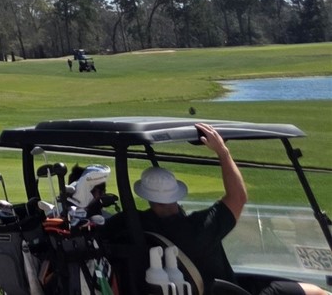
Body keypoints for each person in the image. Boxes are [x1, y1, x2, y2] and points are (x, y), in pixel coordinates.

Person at [133, 122, 329, 295]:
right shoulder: (199, 229)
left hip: (204, 286)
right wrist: (223, 152)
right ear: (175, 194)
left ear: (148, 198)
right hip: (226, 291)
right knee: (317, 292)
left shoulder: (136, 225)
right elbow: (238, 197)